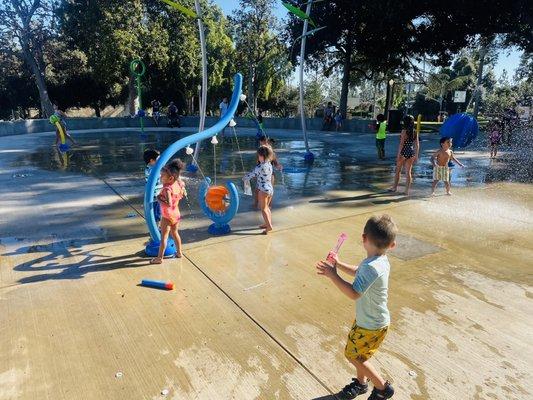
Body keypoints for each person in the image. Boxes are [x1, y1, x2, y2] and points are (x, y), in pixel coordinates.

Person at [316, 215, 398, 400]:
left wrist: (333, 275)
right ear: (392, 245)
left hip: (370, 324)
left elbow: (354, 293)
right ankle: (361, 384)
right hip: (372, 321)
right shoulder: (379, 260)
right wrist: (338, 263)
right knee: (359, 354)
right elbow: (359, 272)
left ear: (364, 238)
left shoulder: (372, 266)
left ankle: (382, 388)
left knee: (352, 355)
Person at [150, 159, 187, 264]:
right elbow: (182, 187)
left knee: (164, 238)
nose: (160, 177)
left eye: (162, 176)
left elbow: (169, 203)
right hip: (176, 214)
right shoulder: (178, 183)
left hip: (167, 216)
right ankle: (179, 253)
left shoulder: (167, 188)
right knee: (175, 233)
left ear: (170, 178)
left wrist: (159, 198)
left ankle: (159, 258)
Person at [244, 146, 274, 234]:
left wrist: (245, 177)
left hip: (263, 190)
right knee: (267, 208)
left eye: (258, 156)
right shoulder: (269, 164)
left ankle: (269, 226)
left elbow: (252, 174)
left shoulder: (260, 167)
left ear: (261, 156)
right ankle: (267, 223)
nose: (258, 157)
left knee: (263, 209)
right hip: (270, 189)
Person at [390, 115, 419, 195]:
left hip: (404, 151)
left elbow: (401, 144)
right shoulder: (415, 131)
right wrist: (416, 155)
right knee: (408, 172)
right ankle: (406, 191)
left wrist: (398, 154)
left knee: (398, 171)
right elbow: (417, 144)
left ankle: (394, 188)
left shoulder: (404, 131)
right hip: (411, 151)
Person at [253, 135, 282, 209]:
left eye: (266, 142)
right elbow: (258, 164)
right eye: (264, 142)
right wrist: (255, 173)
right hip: (263, 174)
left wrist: (278, 166)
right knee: (258, 190)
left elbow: (275, 162)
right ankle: (257, 205)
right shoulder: (260, 151)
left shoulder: (270, 152)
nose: (265, 143)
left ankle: (268, 205)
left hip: (269, 174)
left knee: (267, 190)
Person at [143, 149, 163, 225]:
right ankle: (157, 230)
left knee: (157, 212)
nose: (160, 161)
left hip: (156, 195)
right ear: (151, 160)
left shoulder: (150, 168)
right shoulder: (152, 170)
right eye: (158, 159)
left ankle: (157, 228)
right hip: (156, 196)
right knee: (157, 213)